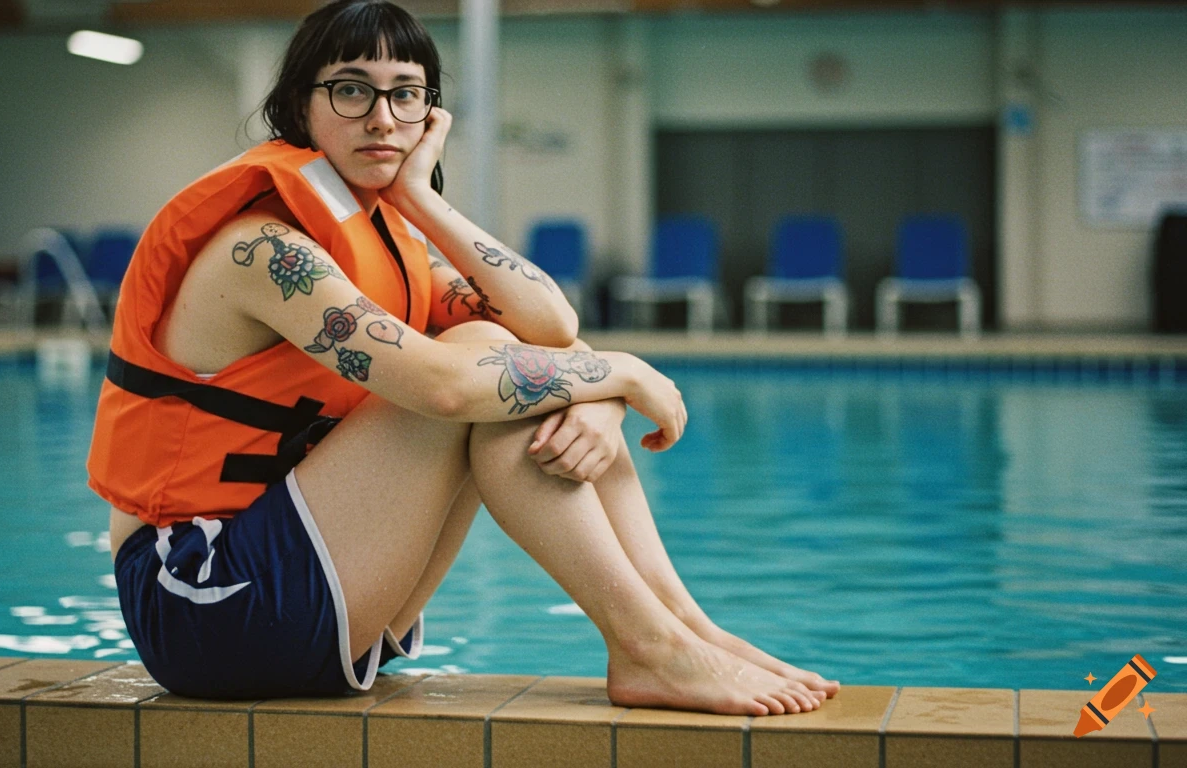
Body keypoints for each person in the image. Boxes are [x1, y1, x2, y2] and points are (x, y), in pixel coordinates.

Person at [88, 0, 838, 715]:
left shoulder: (390, 236)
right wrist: (625, 373)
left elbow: (550, 326)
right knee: (478, 363)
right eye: (351, 90)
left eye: (406, 95)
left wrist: (420, 198)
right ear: (299, 107)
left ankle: (680, 627)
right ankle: (648, 644)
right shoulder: (261, 249)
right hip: (201, 598)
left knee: (501, 356)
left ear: (431, 114)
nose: (382, 117)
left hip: (293, 592)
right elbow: (446, 388)